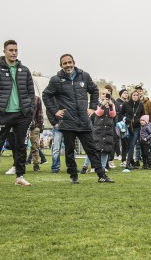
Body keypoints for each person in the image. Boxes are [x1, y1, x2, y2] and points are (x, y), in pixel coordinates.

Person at [41, 54, 115, 184]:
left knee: (92, 149)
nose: (68, 65)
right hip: (67, 121)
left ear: (74, 62)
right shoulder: (56, 80)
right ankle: (73, 175)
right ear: (61, 65)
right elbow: (46, 95)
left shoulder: (84, 76)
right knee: (69, 151)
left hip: (84, 120)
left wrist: (92, 107)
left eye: (70, 62)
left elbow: (94, 91)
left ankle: (101, 175)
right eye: (65, 63)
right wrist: (54, 111)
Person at [0, 40, 36, 188]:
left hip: (22, 115)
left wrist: (30, 110)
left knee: (21, 146)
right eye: (11, 50)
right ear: (4, 51)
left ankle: (20, 176)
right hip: (3, 114)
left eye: (16, 50)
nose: (14, 53)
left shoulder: (24, 70)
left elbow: (30, 92)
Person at [120, 89, 143, 169]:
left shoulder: (140, 104)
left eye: (137, 95)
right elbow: (121, 114)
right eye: (134, 95)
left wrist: (141, 121)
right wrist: (126, 119)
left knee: (132, 144)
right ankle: (132, 162)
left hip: (136, 127)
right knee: (128, 145)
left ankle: (128, 163)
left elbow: (143, 115)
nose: (135, 96)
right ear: (131, 96)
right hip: (126, 127)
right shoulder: (125, 104)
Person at [29, 95, 44, 171]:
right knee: (19, 147)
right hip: (21, 126)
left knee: (35, 146)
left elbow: (40, 113)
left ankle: (36, 165)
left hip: (33, 126)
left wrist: (38, 126)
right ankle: (18, 164)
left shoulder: (36, 99)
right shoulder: (19, 97)